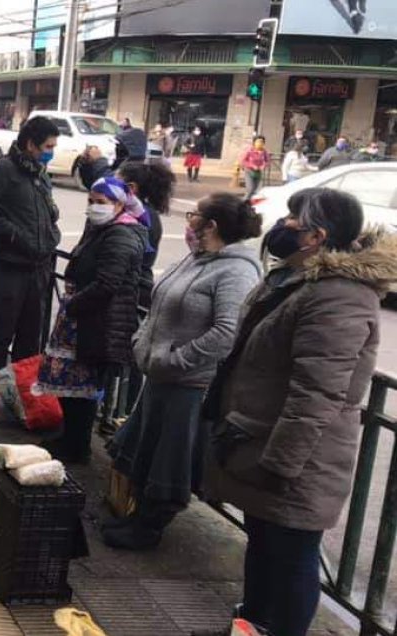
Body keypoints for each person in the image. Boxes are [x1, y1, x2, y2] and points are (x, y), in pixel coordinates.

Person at [201, 188, 396, 636]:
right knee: (264, 544)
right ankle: (251, 626)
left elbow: (318, 393)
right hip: (261, 441)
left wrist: (281, 465)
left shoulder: (339, 296)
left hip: (298, 458)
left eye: (293, 218)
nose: (283, 224)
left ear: (316, 236)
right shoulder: (297, 279)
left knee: (290, 557)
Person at [104, 193, 262, 550]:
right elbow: (159, 305)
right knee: (147, 450)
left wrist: (176, 359)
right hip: (160, 376)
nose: (189, 221)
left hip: (189, 384)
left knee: (169, 461)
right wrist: (141, 342)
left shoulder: (237, 271)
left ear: (211, 225)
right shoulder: (197, 257)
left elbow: (228, 332)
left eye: (194, 214)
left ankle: (148, 528)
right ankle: (136, 517)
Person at [39, 177, 147, 464]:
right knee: (71, 385)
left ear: (119, 205)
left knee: (83, 387)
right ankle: (69, 437)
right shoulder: (101, 228)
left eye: (101, 202)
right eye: (91, 201)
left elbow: (107, 283)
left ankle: (77, 446)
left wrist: (74, 304)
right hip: (82, 316)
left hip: (95, 321)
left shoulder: (121, 235)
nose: (94, 207)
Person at [0, 116, 61, 406]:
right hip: (9, 266)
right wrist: (11, 233)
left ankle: (20, 393)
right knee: (0, 332)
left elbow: (44, 210)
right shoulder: (3, 169)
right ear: (31, 144)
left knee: (31, 337)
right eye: (48, 147)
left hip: (38, 267)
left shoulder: (40, 174)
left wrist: (51, 225)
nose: (51, 152)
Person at [117, 161, 175, 309]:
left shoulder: (137, 216)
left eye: (115, 181)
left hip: (128, 292)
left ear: (131, 188)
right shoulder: (140, 212)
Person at [240, 135, 270, 200]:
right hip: (249, 171)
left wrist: (263, 165)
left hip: (258, 172)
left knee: (255, 190)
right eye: (258, 141)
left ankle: (250, 202)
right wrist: (252, 166)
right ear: (254, 142)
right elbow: (243, 160)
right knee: (250, 189)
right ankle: (243, 202)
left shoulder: (264, 152)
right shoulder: (249, 150)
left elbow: (267, 161)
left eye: (262, 142)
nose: (260, 143)